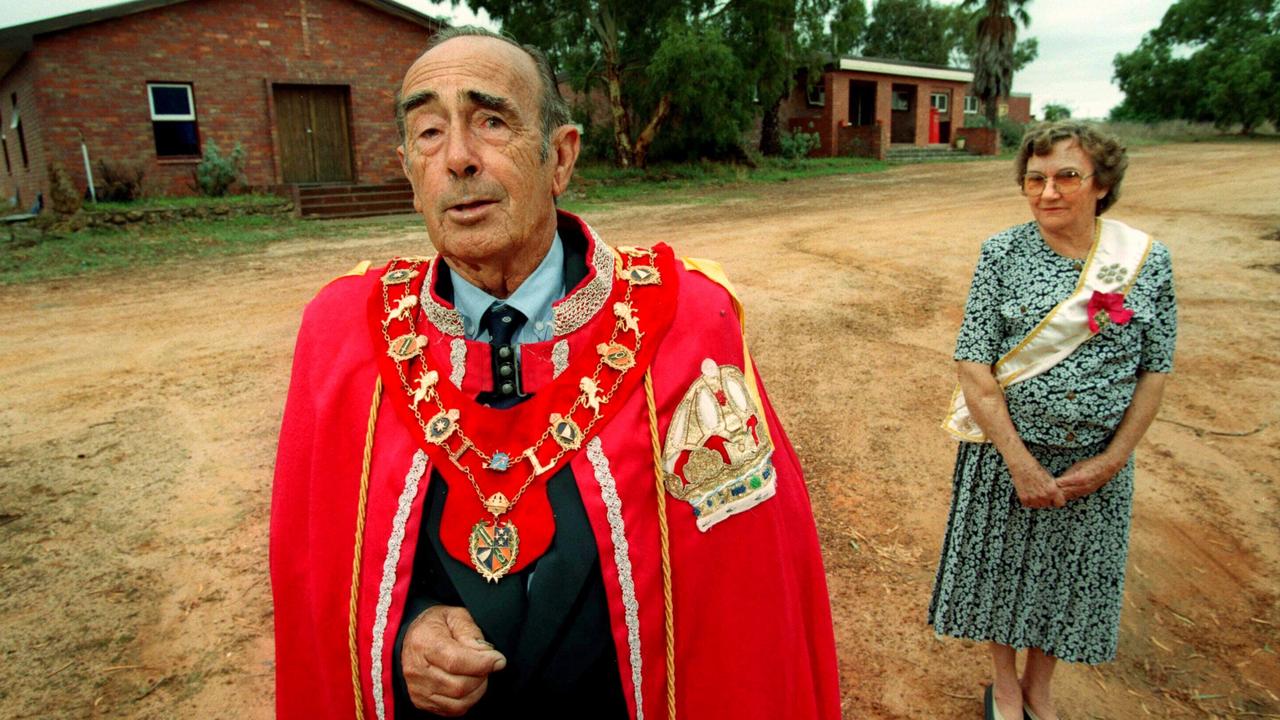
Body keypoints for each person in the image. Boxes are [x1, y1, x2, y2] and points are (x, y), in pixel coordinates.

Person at [270, 27, 840, 720]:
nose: (457, 158)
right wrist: (403, 634)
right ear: (407, 172)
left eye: (491, 121)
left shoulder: (686, 320)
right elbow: (324, 573)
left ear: (560, 157)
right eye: (428, 132)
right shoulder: (345, 338)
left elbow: (749, 591)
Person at [930, 121, 1177, 720]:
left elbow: (1156, 368)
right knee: (1001, 574)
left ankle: (1040, 685)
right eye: (1035, 179)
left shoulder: (1146, 261)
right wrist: (1019, 461)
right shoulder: (1001, 254)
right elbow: (973, 361)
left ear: (1101, 184)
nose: (1048, 192)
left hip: (1096, 461)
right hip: (1008, 455)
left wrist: (1113, 459)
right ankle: (1005, 686)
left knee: (1066, 581)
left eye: (1067, 175)